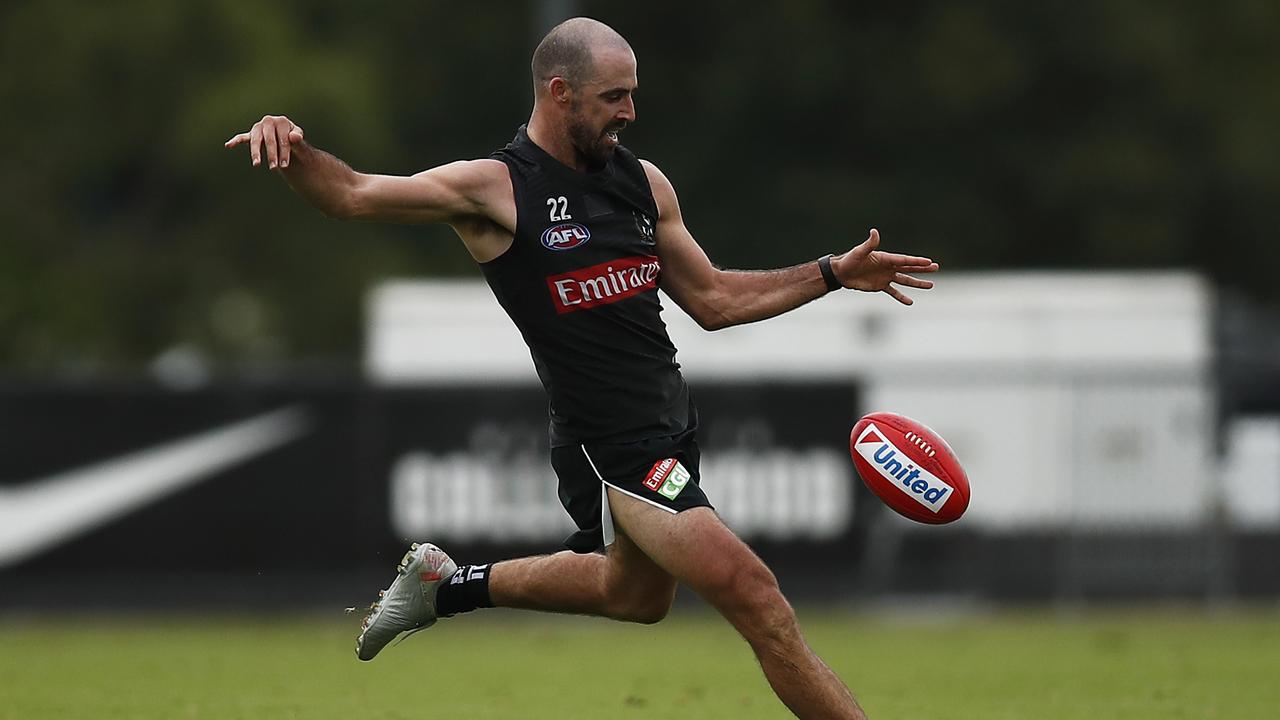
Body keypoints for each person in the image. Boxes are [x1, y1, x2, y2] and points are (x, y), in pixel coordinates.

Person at [226, 17, 936, 720]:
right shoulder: (494, 189)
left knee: (635, 597)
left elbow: (714, 300)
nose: (630, 111)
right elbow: (353, 194)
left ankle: (446, 588)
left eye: (632, 94)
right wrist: (294, 150)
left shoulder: (642, 183)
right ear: (560, 93)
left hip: (669, 427)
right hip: (610, 445)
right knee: (759, 599)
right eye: (613, 97)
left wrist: (832, 273)